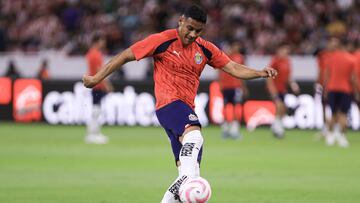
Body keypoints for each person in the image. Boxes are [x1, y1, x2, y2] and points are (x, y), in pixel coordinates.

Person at [82, 5, 277, 202]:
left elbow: (233, 67)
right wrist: (96, 78)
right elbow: (125, 55)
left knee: (189, 177)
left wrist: (259, 73)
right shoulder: (163, 40)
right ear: (181, 21)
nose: (192, 34)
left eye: (198, 31)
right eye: (189, 28)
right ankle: (188, 179)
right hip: (169, 105)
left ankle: (183, 184)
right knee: (195, 137)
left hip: (184, 107)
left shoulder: (205, 49)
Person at [323, 37, 358, 147]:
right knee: (343, 114)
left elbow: (327, 75)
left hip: (332, 88)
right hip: (345, 89)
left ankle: (330, 135)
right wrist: (356, 91)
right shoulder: (352, 59)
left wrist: (325, 89)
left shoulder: (331, 58)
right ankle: (342, 137)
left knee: (333, 114)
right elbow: (353, 78)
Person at [266, 43, 300, 138]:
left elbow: (288, 76)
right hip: (275, 89)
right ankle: (278, 128)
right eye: (284, 49)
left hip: (282, 89)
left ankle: (276, 126)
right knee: (280, 107)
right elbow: (269, 76)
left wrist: (293, 84)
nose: (286, 52)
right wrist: (272, 90)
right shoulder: (275, 61)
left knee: (283, 109)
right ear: (279, 50)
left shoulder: (288, 61)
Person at [84, 34, 113, 144]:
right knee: (96, 110)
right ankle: (92, 134)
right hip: (98, 85)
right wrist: (107, 85)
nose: (104, 43)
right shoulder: (95, 55)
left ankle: (93, 133)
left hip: (95, 84)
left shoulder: (90, 54)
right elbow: (100, 71)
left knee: (96, 109)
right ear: (97, 42)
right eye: (102, 40)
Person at [218, 41, 248, 139]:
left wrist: (244, 87)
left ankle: (234, 129)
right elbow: (219, 70)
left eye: (238, 46)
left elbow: (244, 72)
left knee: (236, 107)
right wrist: (220, 83)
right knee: (226, 107)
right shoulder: (224, 56)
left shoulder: (240, 58)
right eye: (235, 45)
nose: (236, 48)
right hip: (226, 86)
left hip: (236, 86)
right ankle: (226, 128)